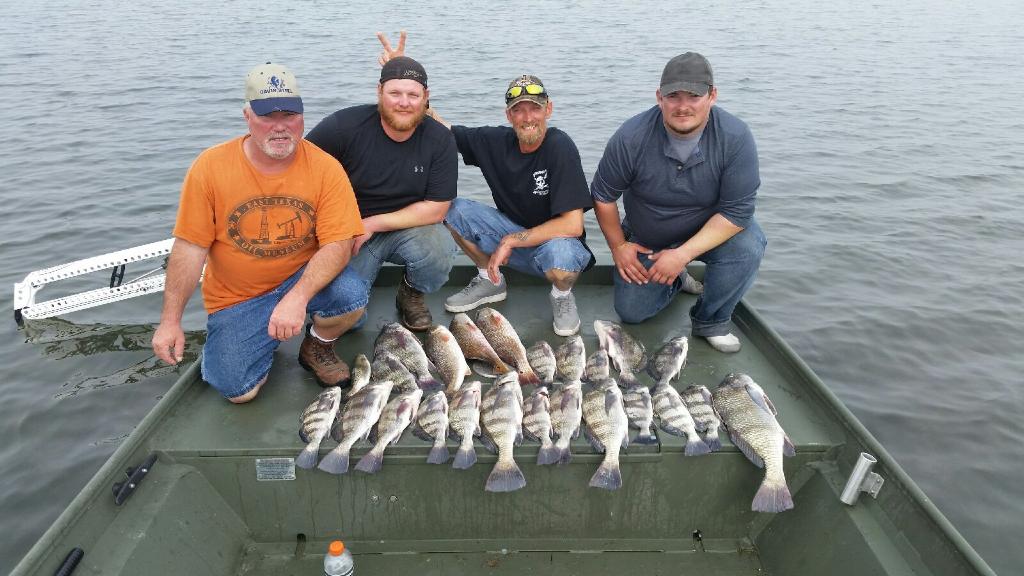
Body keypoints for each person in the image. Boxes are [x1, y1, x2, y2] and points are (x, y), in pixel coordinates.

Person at [151, 63, 367, 403]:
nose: (280, 127)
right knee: (239, 392)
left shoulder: (326, 167)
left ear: (302, 116)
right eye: (267, 116)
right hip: (238, 297)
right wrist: (170, 321)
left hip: (299, 277)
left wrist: (297, 298)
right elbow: (190, 248)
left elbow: (338, 243)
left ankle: (317, 344)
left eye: (290, 115)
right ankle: (251, 338)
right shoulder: (210, 167)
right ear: (247, 116)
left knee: (352, 298)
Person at [376, 32, 593, 337]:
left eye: (535, 108)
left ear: (548, 109)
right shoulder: (494, 141)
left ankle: (561, 295)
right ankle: (490, 279)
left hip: (556, 244)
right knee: (449, 207)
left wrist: (511, 241)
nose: (527, 117)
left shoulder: (560, 146)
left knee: (563, 258)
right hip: (510, 237)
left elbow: (572, 225)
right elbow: (441, 128)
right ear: (509, 115)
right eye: (518, 109)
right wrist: (404, 75)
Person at [591, 52, 766, 353]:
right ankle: (675, 280)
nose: (683, 106)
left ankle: (711, 320)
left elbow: (737, 212)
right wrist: (619, 246)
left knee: (750, 245)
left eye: (694, 96)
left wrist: (682, 254)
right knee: (631, 312)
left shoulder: (736, 138)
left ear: (712, 96)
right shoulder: (630, 137)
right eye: (673, 96)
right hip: (648, 237)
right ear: (659, 97)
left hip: (708, 233)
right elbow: (603, 196)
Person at [305, 48, 458, 332]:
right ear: (379, 91)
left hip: (404, 229)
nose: (404, 103)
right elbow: (299, 171)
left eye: (413, 95)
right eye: (394, 93)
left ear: (425, 97)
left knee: (439, 246)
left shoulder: (440, 139)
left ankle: (410, 293)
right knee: (348, 318)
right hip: (346, 234)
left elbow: (437, 208)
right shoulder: (342, 127)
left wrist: (371, 224)